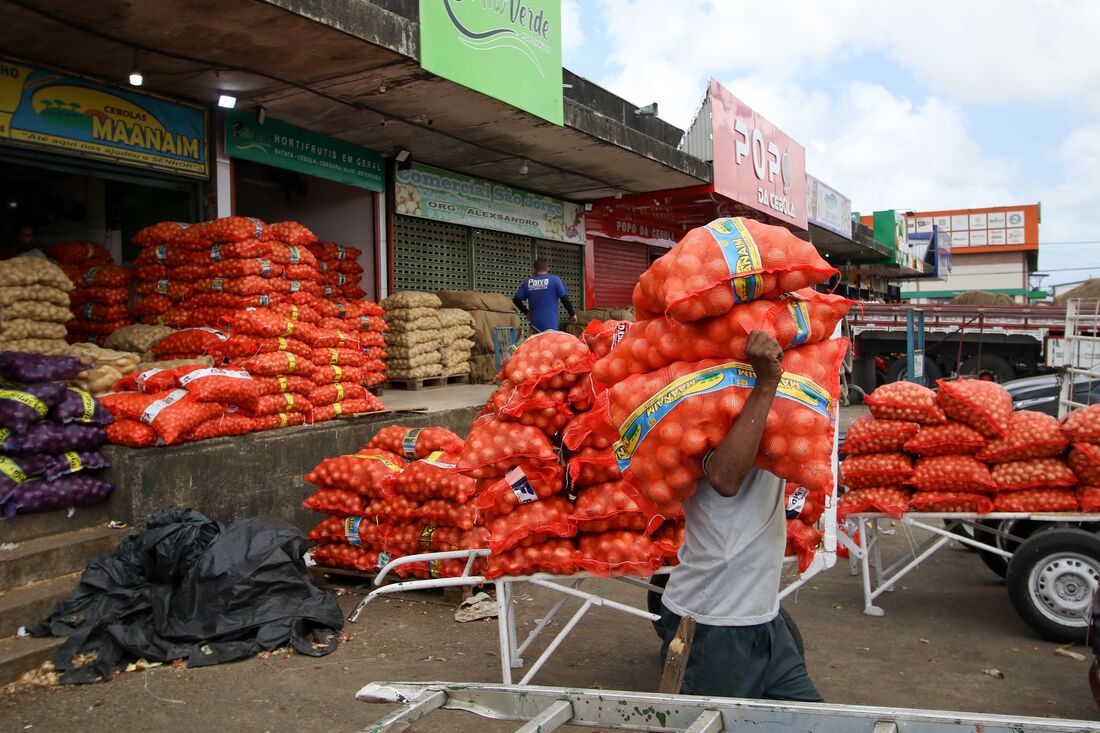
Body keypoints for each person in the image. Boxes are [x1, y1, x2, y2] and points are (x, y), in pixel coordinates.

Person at [656, 330, 822, 702]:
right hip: (712, 621)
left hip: (763, 617)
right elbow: (725, 478)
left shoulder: (768, 409)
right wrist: (766, 382)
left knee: (813, 719)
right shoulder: (695, 410)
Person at [513, 260, 577, 333]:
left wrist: (526, 312)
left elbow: (516, 300)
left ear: (533, 269)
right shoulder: (555, 280)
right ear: (547, 269)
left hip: (535, 326)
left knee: (536, 344)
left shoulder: (528, 282)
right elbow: (565, 299)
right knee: (550, 344)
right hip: (551, 326)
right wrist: (572, 314)